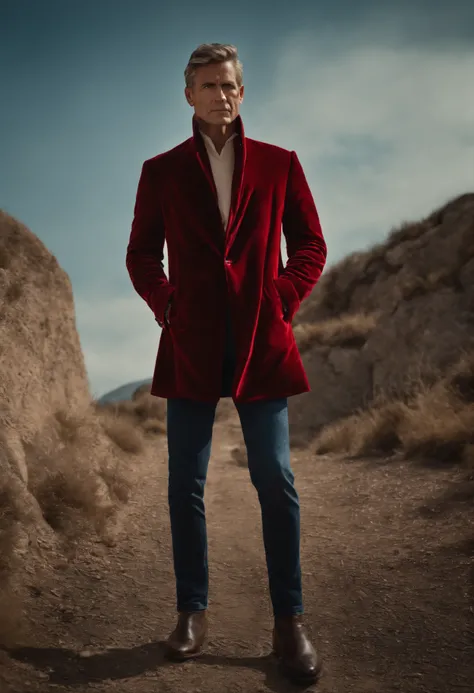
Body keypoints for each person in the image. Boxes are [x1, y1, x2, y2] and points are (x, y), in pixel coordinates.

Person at [126, 43, 327, 685]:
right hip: (189, 344)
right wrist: (169, 307)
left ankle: (289, 623)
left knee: (276, 479)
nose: (221, 95)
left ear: (244, 91)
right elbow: (140, 257)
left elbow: (311, 245)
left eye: (230, 85)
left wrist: (281, 297)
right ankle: (191, 612)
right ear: (189, 94)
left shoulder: (280, 164)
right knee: (185, 485)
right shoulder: (159, 172)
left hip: (261, 344)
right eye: (209, 85)